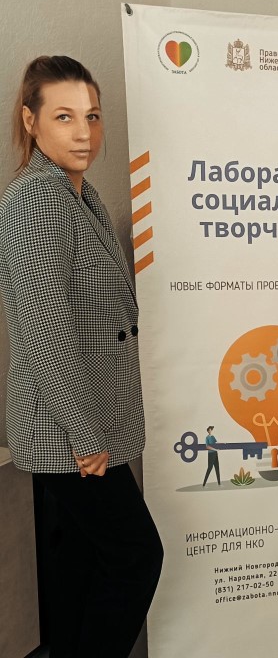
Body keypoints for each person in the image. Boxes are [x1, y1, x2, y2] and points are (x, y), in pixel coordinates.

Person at [0, 56, 163, 658]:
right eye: (64, 116)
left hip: (88, 419)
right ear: (31, 121)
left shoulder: (79, 195)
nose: (83, 133)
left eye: (91, 116)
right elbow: (45, 332)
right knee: (135, 556)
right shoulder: (36, 201)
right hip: (69, 428)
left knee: (76, 567)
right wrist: (87, 433)